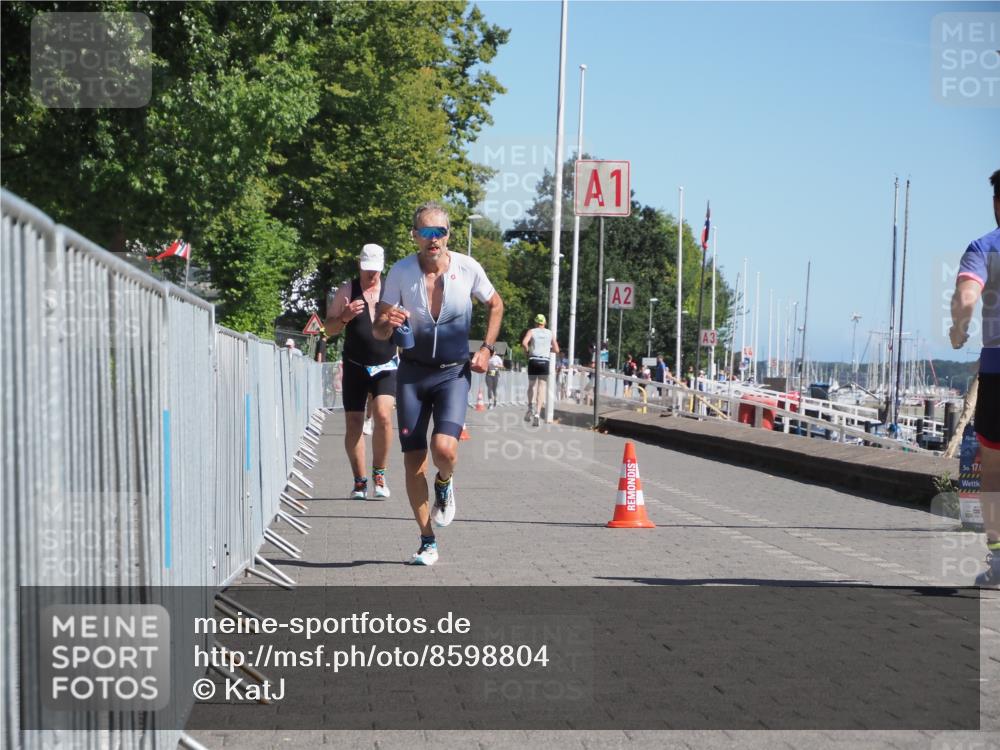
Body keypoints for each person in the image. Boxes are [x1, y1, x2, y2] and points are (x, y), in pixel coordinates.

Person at [374, 202, 503, 566]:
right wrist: (389, 320)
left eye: (440, 232)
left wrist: (487, 348)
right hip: (412, 374)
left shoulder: (467, 268)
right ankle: (427, 539)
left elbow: (496, 304)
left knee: (444, 449)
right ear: (415, 235)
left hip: (451, 372)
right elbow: (378, 328)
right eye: (426, 232)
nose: (434, 240)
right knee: (413, 461)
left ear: (449, 235)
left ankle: (445, 483)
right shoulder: (400, 272)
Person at [950, 168, 1000, 587]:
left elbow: (968, 293)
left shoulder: (984, 248)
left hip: (998, 371)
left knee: (994, 469)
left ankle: (999, 560)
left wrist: (959, 327)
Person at [325, 243, 397, 501]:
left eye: (375, 271)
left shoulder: (392, 290)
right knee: (354, 423)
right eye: (366, 270)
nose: (371, 276)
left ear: (382, 267)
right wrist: (344, 316)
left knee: (383, 416)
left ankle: (380, 474)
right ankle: (359, 481)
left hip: (386, 365)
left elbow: (409, 325)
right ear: (360, 265)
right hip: (355, 365)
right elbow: (329, 329)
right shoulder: (348, 290)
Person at [522, 314, 560, 427]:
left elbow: (524, 343)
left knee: (531, 385)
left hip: (533, 360)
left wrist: (527, 351)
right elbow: (557, 349)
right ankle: (538, 414)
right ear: (545, 323)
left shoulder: (531, 331)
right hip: (544, 361)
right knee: (542, 387)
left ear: (535, 323)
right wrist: (547, 350)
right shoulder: (549, 333)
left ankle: (530, 407)